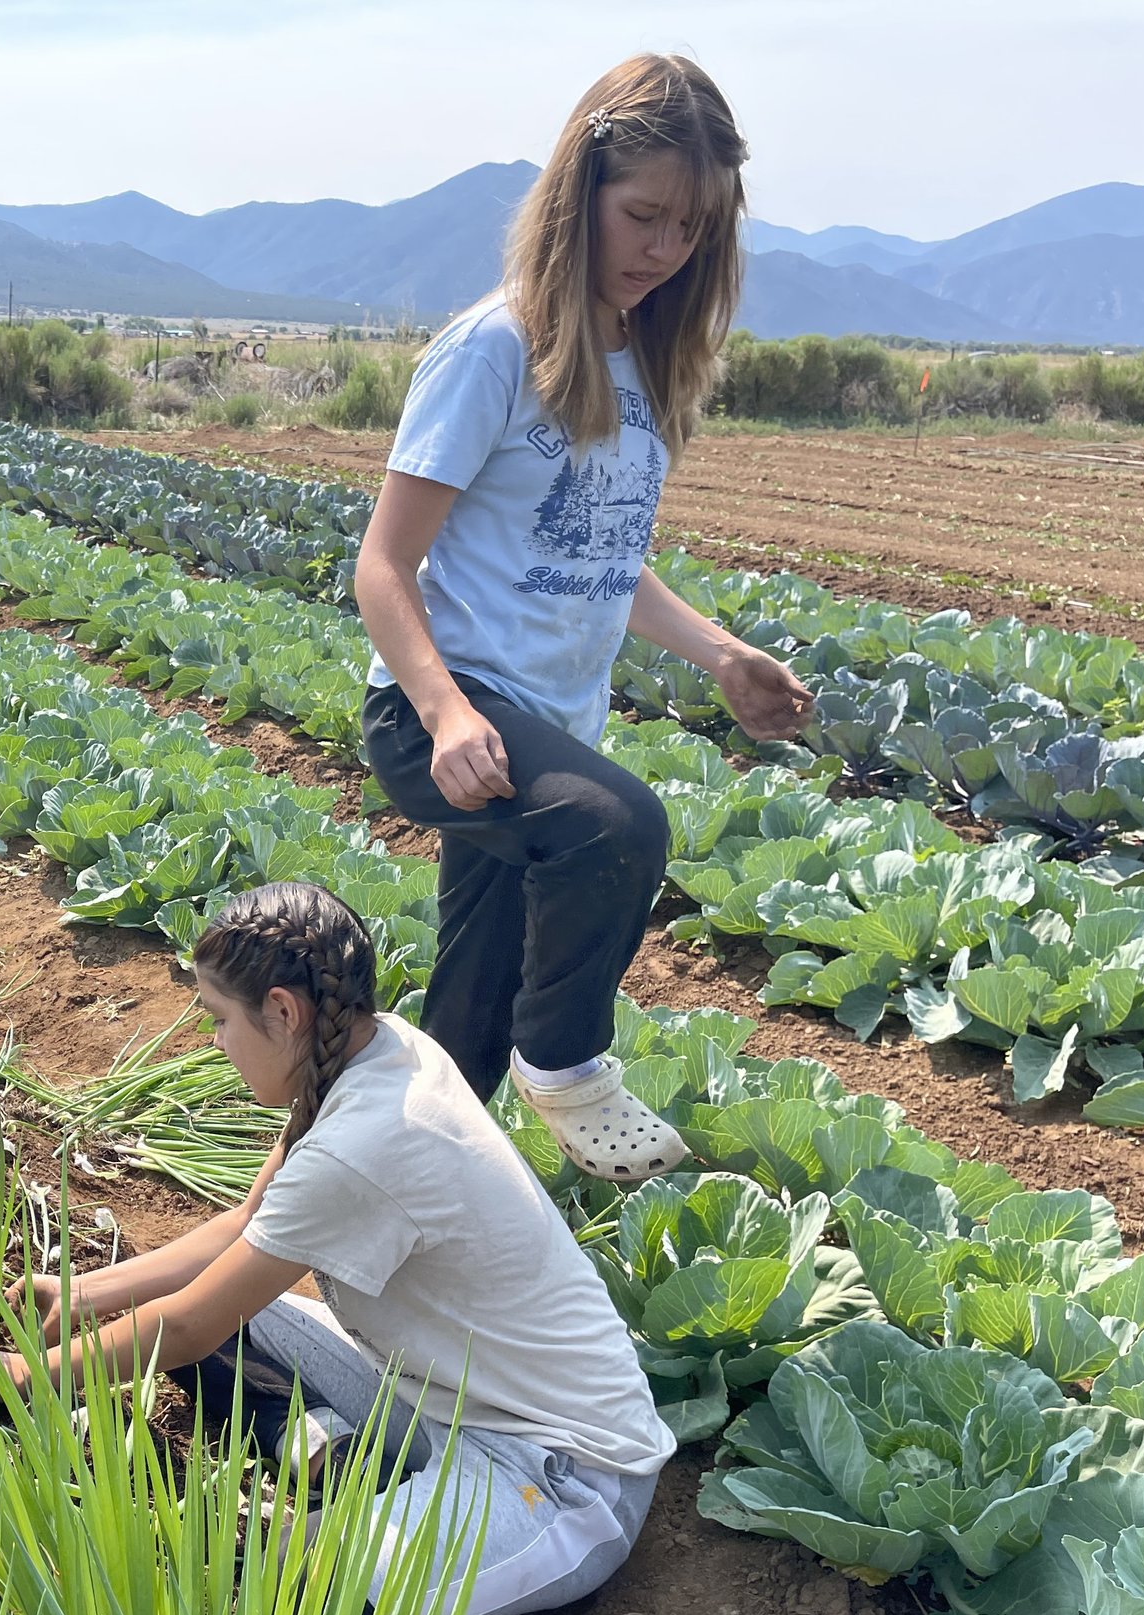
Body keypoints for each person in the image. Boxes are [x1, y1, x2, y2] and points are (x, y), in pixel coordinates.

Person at [354, 53, 812, 1181]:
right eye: (642, 214)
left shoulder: (637, 358)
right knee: (619, 829)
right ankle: (564, 1064)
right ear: (579, 192)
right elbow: (380, 565)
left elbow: (602, 558)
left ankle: (358, 1221)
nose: (662, 249)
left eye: (690, 228)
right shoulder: (493, 349)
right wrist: (449, 714)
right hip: (446, 722)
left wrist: (721, 652)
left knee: (460, 1027)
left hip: (545, 726)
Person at [7, 883, 673, 1615]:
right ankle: (344, 1452)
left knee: (290, 1591)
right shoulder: (369, 1049)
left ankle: (359, 1494)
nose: (216, 1041)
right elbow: (245, 1226)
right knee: (200, 1329)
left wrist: (24, 1381)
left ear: (284, 1011)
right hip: (442, 1397)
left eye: (220, 1020)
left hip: (560, 1472)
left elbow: (191, 1322)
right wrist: (87, 1292)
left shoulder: (364, 1143)